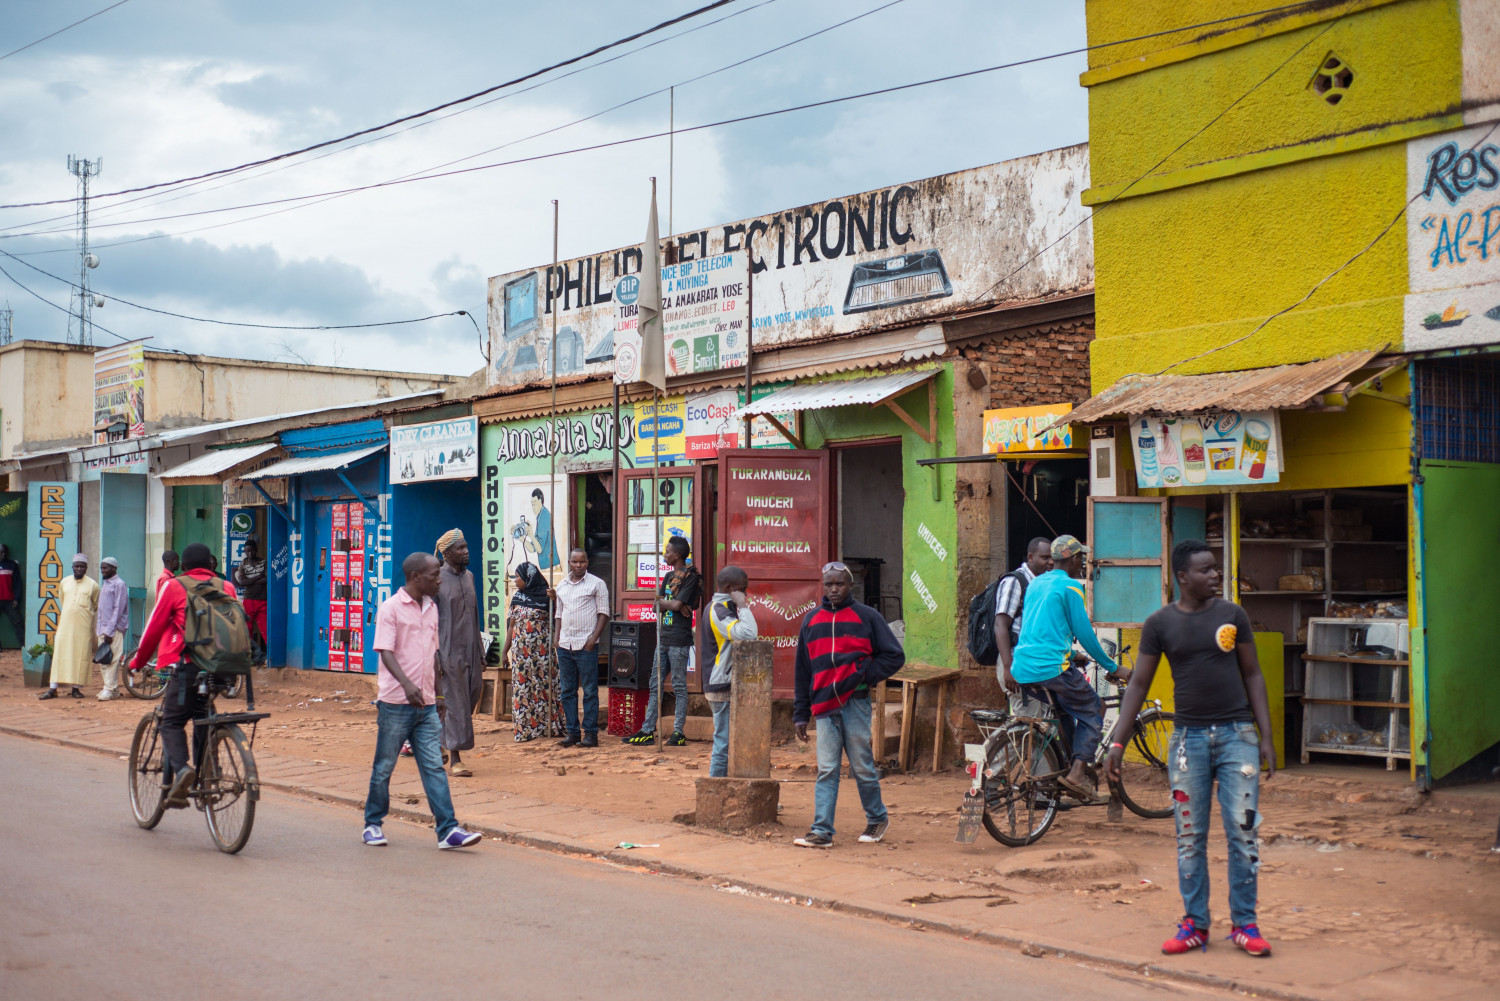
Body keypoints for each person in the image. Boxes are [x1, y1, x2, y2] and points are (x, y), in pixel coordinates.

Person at [1106, 539, 1277, 958]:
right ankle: (1195, 925)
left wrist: (1266, 736)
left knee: (1243, 834)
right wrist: (1118, 740)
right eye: (1206, 570)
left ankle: (1245, 925)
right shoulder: (1160, 623)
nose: (1215, 575)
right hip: (1188, 743)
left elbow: (1253, 675)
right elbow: (1140, 684)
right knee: (1190, 838)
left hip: (1238, 737)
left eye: (1216, 568)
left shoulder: (1233, 615)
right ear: (1183, 577)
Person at [361, 551, 482, 850]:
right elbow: (385, 651)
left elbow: (434, 656)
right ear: (417, 577)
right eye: (434, 575)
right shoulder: (390, 608)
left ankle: (448, 830)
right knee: (384, 766)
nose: (439, 580)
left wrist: (438, 693)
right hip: (395, 704)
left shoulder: (431, 608)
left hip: (427, 704)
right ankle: (372, 824)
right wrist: (406, 684)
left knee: (433, 767)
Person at [1003, 535, 1129, 803]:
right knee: (1095, 709)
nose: (1082, 561)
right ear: (1072, 559)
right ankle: (1076, 774)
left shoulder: (1036, 584)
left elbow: (1037, 632)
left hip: (1023, 667)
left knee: (1065, 713)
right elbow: (1085, 633)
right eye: (1080, 557)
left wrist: (1072, 654)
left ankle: (1067, 771)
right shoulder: (1071, 587)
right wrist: (1113, 667)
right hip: (1051, 668)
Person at [792, 561, 905, 848]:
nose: (833, 589)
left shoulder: (867, 617)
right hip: (823, 706)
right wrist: (800, 714)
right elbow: (803, 670)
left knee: (862, 766)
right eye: (828, 584)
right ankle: (822, 831)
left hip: (855, 703)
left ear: (850, 585)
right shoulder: (811, 621)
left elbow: (894, 655)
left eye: (839, 583)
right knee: (827, 769)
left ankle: (877, 817)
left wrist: (863, 676)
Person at [128, 543, 237, 807]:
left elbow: (154, 629)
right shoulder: (228, 587)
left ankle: (183, 770)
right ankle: (203, 778)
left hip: (189, 665)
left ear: (183, 566)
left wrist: (138, 662)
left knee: (172, 723)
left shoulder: (175, 586)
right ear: (211, 566)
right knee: (202, 717)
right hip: (222, 668)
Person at [625, 535, 701, 746]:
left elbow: (674, 606)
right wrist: (671, 603)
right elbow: (657, 606)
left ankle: (678, 732)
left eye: (667, 552)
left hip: (678, 639)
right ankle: (648, 730)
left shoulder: (690, 576)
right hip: (663, 637)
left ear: (676, 555)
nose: (664, 554)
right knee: (655, 685)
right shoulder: (668, 577)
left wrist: (668, 603)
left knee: (678, 685)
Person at [434, 529, 485, 776]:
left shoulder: (470, 577)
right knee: (455, 703)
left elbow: (475, 614)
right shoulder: (435, 580)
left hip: (472, 649)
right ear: (446, 553)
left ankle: (438, 741)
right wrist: (434, 656)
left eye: (466, 547)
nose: (466, 551)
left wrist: (481, 649)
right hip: (447, 650)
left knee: (471, 695)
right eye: (460, 548)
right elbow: (430, 620)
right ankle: (455, 758)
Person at [700, 565, 757, 778]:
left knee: (733, 741)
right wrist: (743, 605)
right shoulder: (719, 610)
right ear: (729, 587)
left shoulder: (724, 606)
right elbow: (749, 634)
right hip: (720, 684)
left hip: (728, 683)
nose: (745, 594)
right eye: (742, 589)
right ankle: (715, 789)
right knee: (723, 742)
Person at [499, 562, 565, 743]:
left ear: (529, 578)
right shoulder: (517, 597)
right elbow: (511, 626)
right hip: (520, 655)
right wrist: (505, 652)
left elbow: (558, 619)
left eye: (518, 577)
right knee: (523, 690)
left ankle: (547, 727)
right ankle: (525, 730)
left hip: (542, 654)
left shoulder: (546, 597)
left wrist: (554, 600)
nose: (515, 580)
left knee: (544, 688)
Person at [550, 547, 609, 748]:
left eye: (582, 562)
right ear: (569, 563)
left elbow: (604, 614)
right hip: (565, 645)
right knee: (567, 691)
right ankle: (573, 732)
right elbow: (559, 613)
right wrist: (557, 637)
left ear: (587, 562)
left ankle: (591, 734)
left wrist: (593, 639)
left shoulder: (597, 584)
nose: (578, 565)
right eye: (575, 562)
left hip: (586, 645)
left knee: (590, 691)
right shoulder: (562, 586)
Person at [39, 555, 98, 701]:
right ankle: (53, 689)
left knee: (80, 656)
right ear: (72, 567)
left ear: (86, 568)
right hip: (65, 625)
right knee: (60, 655)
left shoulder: (93, 585)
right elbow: (62, 600)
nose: (79, 569)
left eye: (82, 566)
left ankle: (76, 689)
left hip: (83, 627)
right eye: (77, 566)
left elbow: (95, 604)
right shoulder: (64, 582)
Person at [993, 537, 1053, 679]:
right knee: (1024, 702)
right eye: (1045, 558)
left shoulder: (1042, 583)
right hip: (1015, 662)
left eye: (1052, 558)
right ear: (1031, 558)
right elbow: (1000, 625)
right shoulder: (1015, 582)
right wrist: (1008, 668)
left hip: (1033, 663)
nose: (1050, 562)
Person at [95, 556, 130, 701]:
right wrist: (100, 629)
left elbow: (118, 609)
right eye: (102, 568)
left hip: (113, 629)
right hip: (103, 629)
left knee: (113, 660)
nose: (102, 570)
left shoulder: (119, 584)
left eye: (105, 568)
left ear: (114, 569)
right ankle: (113, 689)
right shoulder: (106, 584)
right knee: (104, 659)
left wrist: (110, 630)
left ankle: (108, 689)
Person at [234, 539, 268, 662]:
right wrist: (259, 576)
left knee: (266, 629)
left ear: (256, 549)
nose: (250, 553)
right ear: (244, 551)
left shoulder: (264, 563)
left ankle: (270, 657)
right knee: (247, 629)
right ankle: (247, 658)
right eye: (247, 551)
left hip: (262, 599)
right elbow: (242, 583)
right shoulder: (242, 565)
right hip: (248, 600)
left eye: (252, 550)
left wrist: (250, 580)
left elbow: (267, 579)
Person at [526, 488, 559, 570]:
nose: (533, 507)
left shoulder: (544, 517)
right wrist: (521, 538)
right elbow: (532, 548)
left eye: (535, 503)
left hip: (551, 568)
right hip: (548, 568)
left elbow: (539, 548)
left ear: (540, 501)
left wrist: (531, 536)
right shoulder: (540, 517)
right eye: (532, 504)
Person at [0, 543, 23, 650]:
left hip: (9, 600)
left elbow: (17, 583)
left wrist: (16, 598)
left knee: (17, 622)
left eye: (3, 552)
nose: (2, 554)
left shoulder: (12, 565)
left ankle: (24, 646)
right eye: (0, 552)